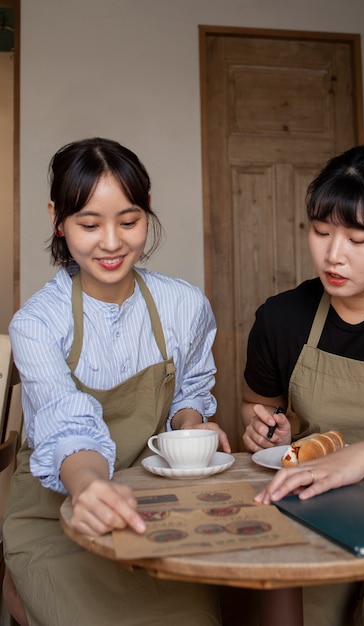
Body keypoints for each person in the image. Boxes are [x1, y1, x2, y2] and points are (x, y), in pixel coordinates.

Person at [3, 137, 231, 626]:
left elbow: (189, 392)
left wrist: (192, 427)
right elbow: (67, 428)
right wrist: (87, 487)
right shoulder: (38, 323)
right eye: (89, 224)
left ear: (147, 212)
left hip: (152, 503)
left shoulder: (184, 306)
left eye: (128, 221)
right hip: (60, 514)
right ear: (57, 220)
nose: (111, 242)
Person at [242, 145, 364, 626]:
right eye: (321, 232)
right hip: (320, 503)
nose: (333, 255)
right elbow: (259, 405)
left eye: (358, 240)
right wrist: (265, 429)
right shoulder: (281, 318)